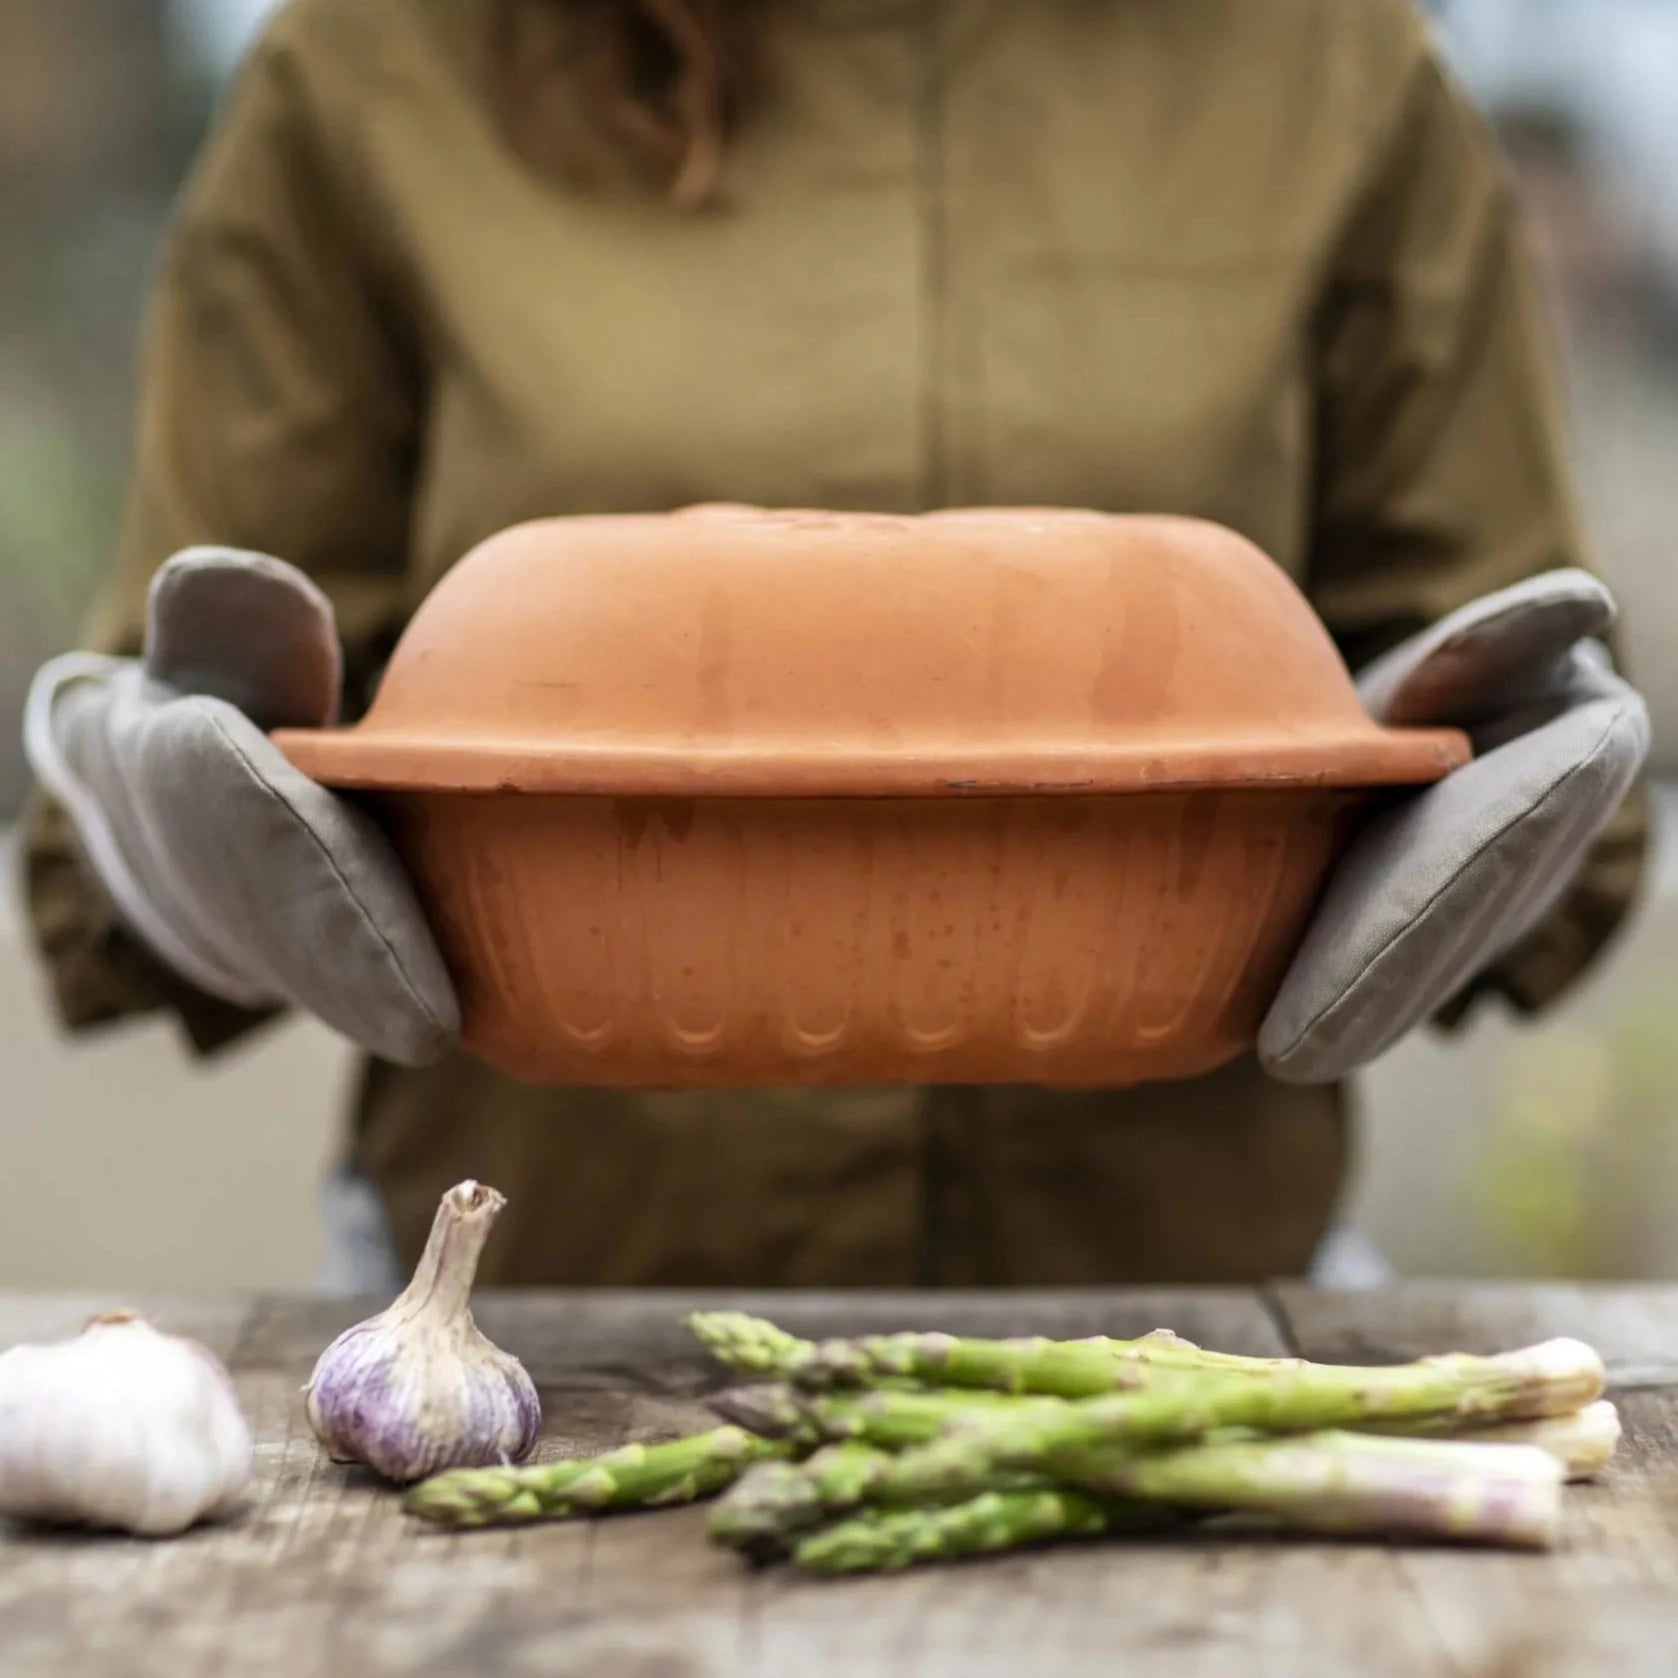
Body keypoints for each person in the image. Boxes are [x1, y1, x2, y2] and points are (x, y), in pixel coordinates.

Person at [20, 0, 1650, 1291]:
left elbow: (1488, 693)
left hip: (1191, 1327)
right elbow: (167, 771)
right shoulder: (385, 59)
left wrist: (1451, 768)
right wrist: (162, 810)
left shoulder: (1320, 58)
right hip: (523, 1325)